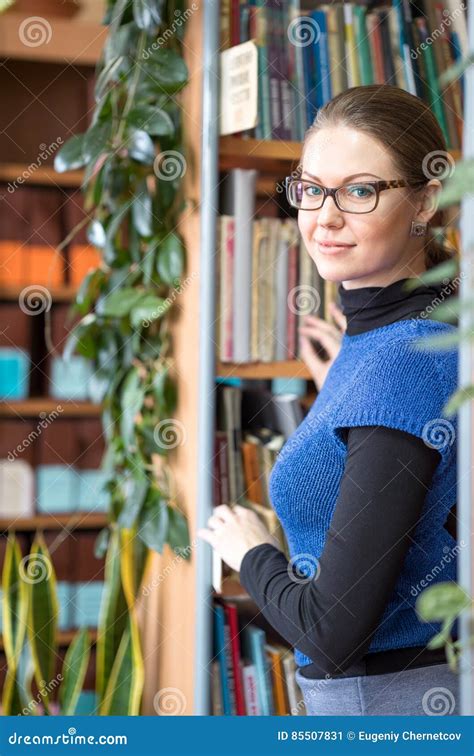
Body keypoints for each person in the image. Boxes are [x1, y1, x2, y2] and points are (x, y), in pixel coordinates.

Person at [197, 85, 460, 716]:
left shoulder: (402, 363)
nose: (324, 217)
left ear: (425, 200)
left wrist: (250, 550)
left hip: (385, 705)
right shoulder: (399, 339)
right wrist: (341, 398)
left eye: (360, 190)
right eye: (311, 188)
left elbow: (329, 633)